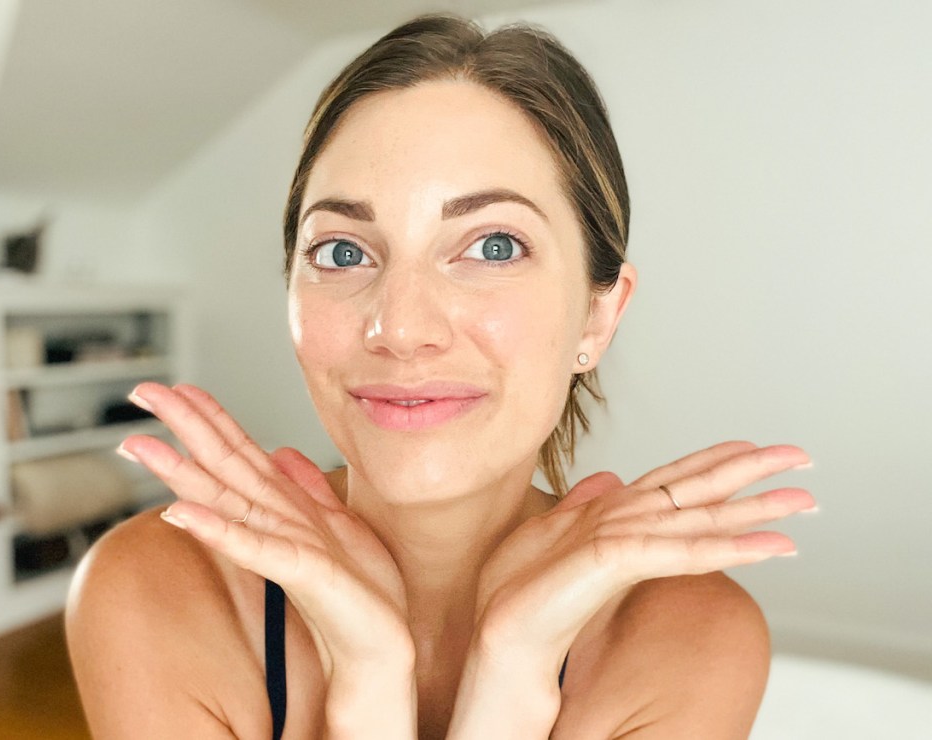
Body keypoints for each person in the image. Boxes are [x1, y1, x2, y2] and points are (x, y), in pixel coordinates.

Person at [66, 14, 814, 739]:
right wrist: (368, 682)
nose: (401, 328)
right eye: (343, 252)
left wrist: (511, 666)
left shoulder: (692, 638)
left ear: (597, 317)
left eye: (493, 246)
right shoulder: (155, 589)